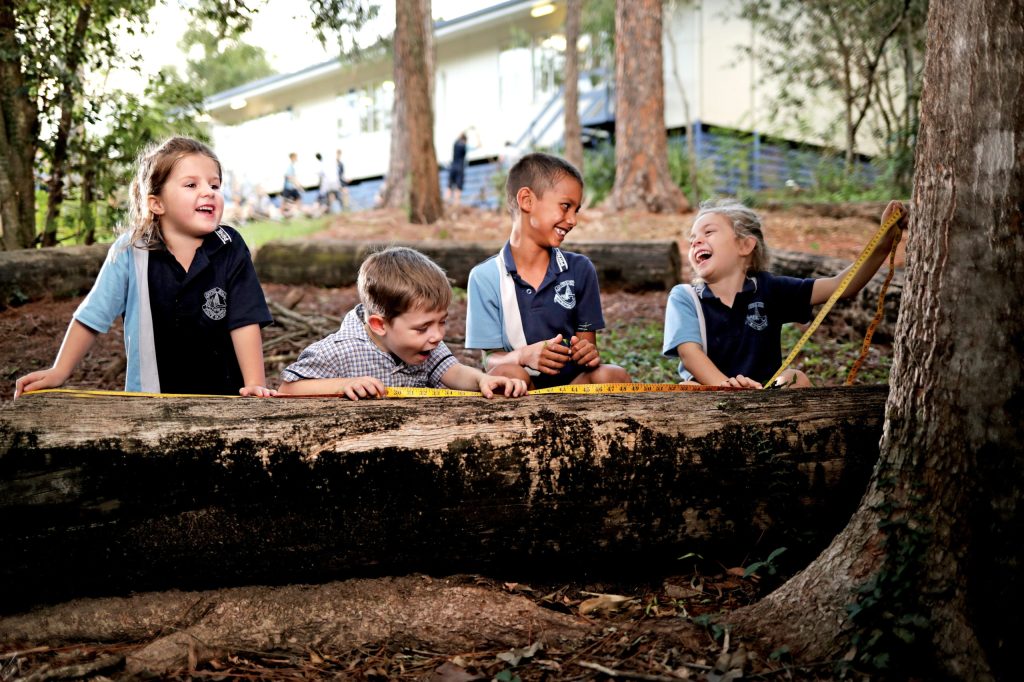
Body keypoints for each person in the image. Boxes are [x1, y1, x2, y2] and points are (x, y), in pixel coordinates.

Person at [14, 136, 276, 399]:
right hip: (152, 404)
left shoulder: (229, 245)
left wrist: (254, 383)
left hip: (224, 398)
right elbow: (91, 317)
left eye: (215, 185)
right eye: (191, 184)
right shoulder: (131, 251)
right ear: (156, 203)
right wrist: (59, 370)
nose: (208, 191)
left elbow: (245, 321)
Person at [662, 198, 908, 389]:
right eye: (692, 238)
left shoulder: (770, 289)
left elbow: (840, 286)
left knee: (794, 378)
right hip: (709, 396)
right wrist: (726, 388)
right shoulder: (685, 297)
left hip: (766, 396)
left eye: (708, 232)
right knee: (686, 388)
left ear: (745, 245)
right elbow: (689, 353)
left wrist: (883, 241)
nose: (695, 242)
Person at [464, 152, 631, 389]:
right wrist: (524, 356)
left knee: (614, 377)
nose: (572, 220)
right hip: (522, 391)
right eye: (565, 206)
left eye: (576, 210)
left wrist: (587, 352)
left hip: (572, 388)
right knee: (508, 373)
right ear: (527, 200)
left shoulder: (580, 269)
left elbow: (587, 348)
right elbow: (490, 361)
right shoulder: (485, 278)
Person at [278, 246, 529, 400]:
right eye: (423, 327)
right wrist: (345, 385)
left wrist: (481, 381)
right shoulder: (340, 350)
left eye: (442, 322)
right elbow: (289, 389)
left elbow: (453, 372)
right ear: (379, 325)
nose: (437, 335)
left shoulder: (426, 346)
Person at [444, 129, 476, 208]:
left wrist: (468, 128)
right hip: (460, 169)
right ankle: (456, 205)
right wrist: (476, 133)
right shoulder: (465, 146)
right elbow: (479, 145)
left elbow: (460, 134)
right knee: (458, 188)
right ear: (465, 140)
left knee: (449, 187)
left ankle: (445, 204)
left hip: (452, 167)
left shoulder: (455, 143)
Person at [281, 152, 302, 216]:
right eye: (296, 157)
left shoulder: (292, 166)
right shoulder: (289, 166)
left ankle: (297, 212)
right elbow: (288, 176)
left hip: (292, 187)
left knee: (298, 198)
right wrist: (296, 183)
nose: (297, 159)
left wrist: (297, 183)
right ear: (292, 158)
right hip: (288, 187)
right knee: (285, 202)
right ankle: (282, 213)